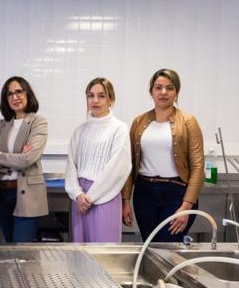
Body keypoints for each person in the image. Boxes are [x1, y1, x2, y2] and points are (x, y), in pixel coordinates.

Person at [122, 68, 205, 243]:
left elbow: (198, 167)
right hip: (144, 193)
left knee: (167, 249)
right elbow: (129, 165)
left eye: (170, 88)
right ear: (151, 91)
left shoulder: (189, 121)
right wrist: (125, 200)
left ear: (177, 92)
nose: (163, 92)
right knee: (150, 247)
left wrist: (186, 206)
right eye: (158, 87)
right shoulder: (139, 121)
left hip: (176, 194)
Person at [64, 77, 131, 243]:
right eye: (90, 95)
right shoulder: (80, 131)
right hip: (80, 198)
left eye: (101, 96)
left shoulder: (119, 129)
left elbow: (118, 168)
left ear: (111, 100)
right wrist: (78, 194)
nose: (95, 100)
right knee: (80, 254)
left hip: (104, 196)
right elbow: (71, 165)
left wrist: (90, 197)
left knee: (104, 257)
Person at [0, 76, 48, 243]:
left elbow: (28, 159)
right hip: (2, 194)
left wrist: (0, 156)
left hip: (27, 195)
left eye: (19, 91)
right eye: (9, 94)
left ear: (27, 93)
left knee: (21, 251)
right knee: (8, 248)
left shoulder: (38, 122)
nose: (15, 97)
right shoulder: (2, 124)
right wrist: (14, 159)